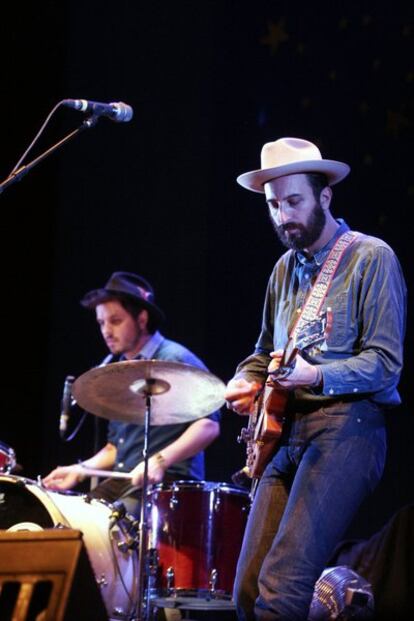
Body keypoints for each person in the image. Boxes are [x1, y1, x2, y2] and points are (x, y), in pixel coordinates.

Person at [224, 137, 407, 620]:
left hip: (348, 429)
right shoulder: (283, 269)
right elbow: (264, 350)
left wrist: (315, 374)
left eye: (294, 201)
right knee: (246, 590)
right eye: (274, 205)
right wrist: (245, 378)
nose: (284, 216)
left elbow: (386, 364)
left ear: (324, 197)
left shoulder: (371, 257)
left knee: (281, 588)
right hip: (285, 431)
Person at [43, 271, 221, 515]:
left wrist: (159, 461)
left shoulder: (174, 359)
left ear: (142, 318)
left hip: (168, 483)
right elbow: (114, 448)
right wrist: (80, 469)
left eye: (115, 321)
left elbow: (208, 426)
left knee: (111, 526)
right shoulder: (120, 372)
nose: (106, 331)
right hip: (125, 480)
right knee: (68, 519)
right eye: (101, 323)